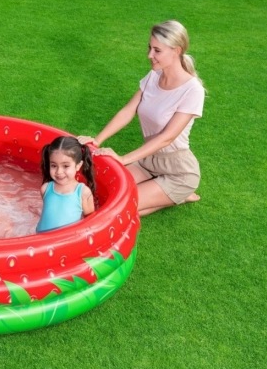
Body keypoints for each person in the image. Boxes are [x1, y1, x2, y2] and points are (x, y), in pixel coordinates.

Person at [78, 20, 204, 216]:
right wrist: (96, 141)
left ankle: (178, 193)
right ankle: (171, 195)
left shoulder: (192, 90)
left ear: (176, 51)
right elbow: (128, 111)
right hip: (148, 161)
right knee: (101, 194)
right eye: (149, 48)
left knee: (116, 210)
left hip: (178, 172)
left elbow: (167, 138)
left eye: (157, 50)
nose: (149, 55)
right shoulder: (154, 75)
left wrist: (123, 159)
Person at [36, 136, 96, 233]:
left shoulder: (82, 192)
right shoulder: (45, 188)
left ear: (78, 166)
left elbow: (90, 222)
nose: (59, 172)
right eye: (54, 165)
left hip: (65, 241)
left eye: (65, 166)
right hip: (39, 239)